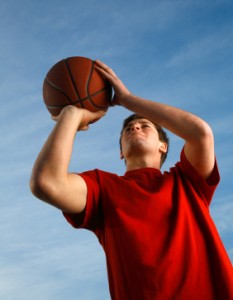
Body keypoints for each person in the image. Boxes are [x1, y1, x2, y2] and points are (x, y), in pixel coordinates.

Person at [30, 60, 233, 300]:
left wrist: (127, 99)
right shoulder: (102, 189)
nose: (135, 126)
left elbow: (201, 133)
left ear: (163, 146)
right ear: (121, 152)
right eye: (128, 128)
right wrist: (71, 115)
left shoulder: (187, 182)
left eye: (144, 125)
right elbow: (46, 183)